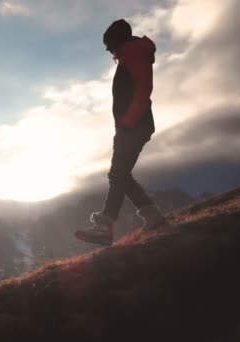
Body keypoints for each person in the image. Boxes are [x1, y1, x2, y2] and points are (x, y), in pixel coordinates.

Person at [75, 19, 168, 246]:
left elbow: (144, 88)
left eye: (108, 44)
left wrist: (128, 120)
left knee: (117, 174)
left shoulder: (134, 52)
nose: (108, 49)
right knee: (121, 174)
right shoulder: (130, 54)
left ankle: (105, 227)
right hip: (133, 125)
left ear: (117, 39)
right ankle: (152, 216)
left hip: (133, 125)